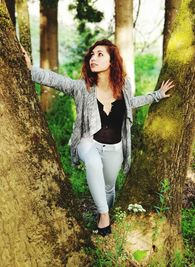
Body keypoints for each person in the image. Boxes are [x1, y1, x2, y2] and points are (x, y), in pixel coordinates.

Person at [21, 39, 174, 237]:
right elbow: (58, 80)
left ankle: (105, 212)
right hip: (88, 142)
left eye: (100, 54)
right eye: (92, 55)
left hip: (115, 148)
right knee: (93, 163)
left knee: (109, 188)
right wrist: (30, 69)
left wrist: (156, 95)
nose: (93, 58)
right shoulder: (83, 88)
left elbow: (131, 103)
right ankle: (103, 215)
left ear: (112, 61)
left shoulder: (123, 86)